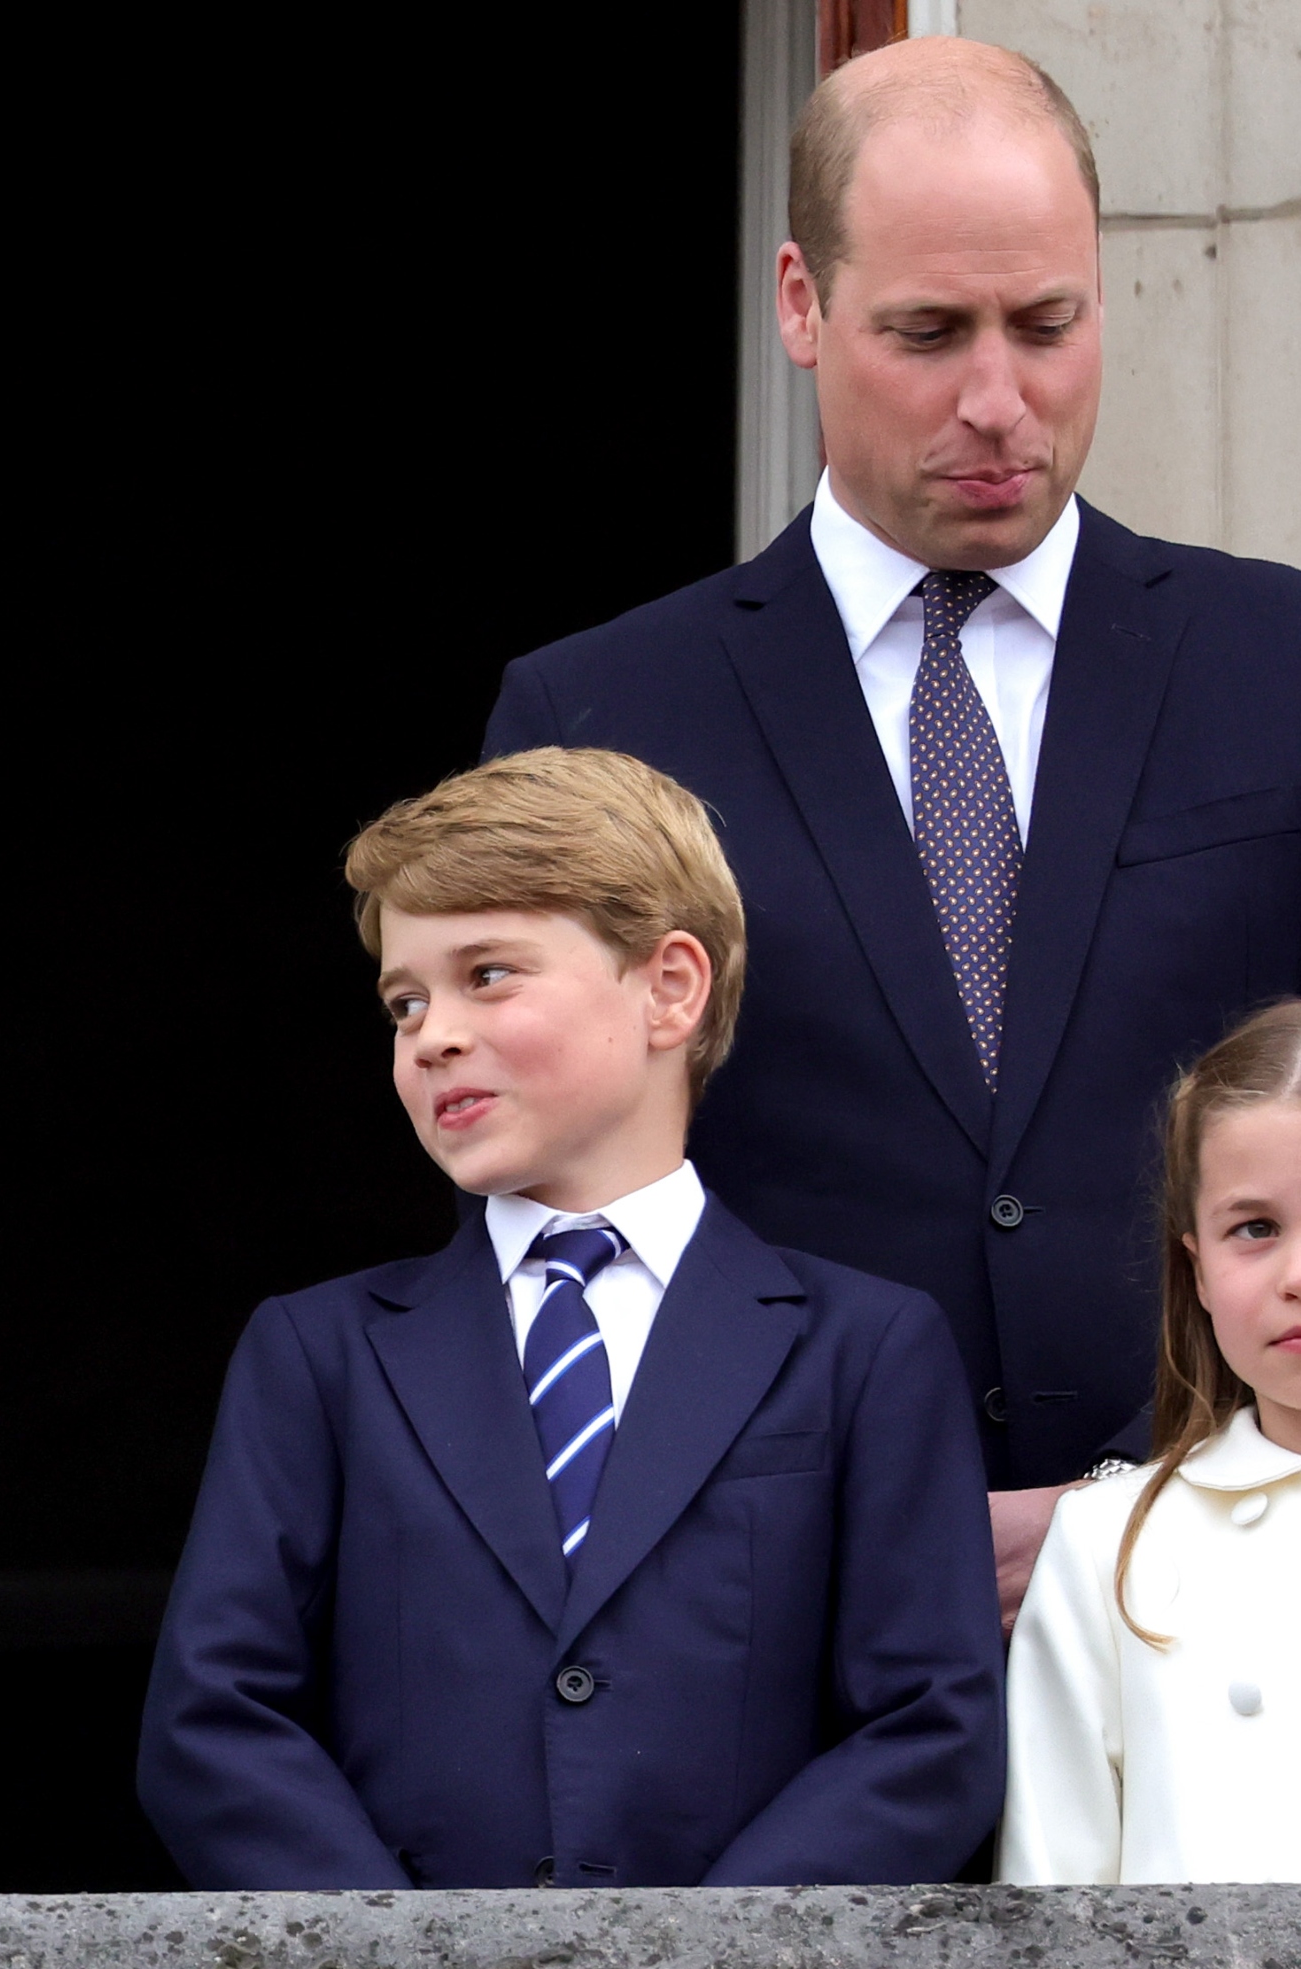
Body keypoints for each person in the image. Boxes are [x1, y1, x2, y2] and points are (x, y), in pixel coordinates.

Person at [484, 36, 1301, 1628]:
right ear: (799, 302)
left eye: (1048, 326)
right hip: (776, 1640)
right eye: (929, 333)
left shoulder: (1281, 664)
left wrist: (1151, 1512)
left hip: (1240, 1629)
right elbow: (546, 1243)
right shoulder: (596, 717)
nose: (1000, 402)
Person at [138, 747, 1002, 1888]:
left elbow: (927, 1727)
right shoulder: (316, 1354)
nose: (429, 1033)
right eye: (403, 1001)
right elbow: (214, 1717)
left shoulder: (863, 1346)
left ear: (669, 988)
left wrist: (707, 1955)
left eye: (486, 973)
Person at [1002, 1000, 1301, 1882]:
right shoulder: (1108, 1543)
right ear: (1196, 1266)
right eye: (1255, 1228)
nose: (1296, 1276)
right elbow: (1053, 1890)